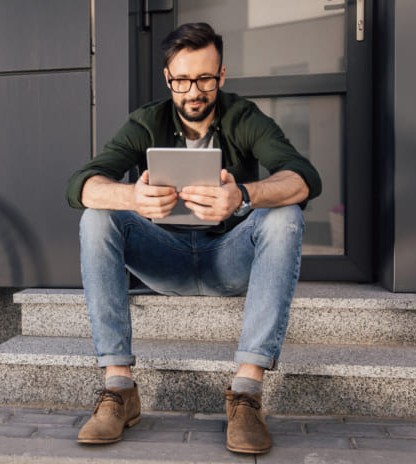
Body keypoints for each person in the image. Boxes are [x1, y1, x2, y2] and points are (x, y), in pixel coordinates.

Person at [65, 22, 321, 454]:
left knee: (284, 214)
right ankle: (119, 389)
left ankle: (246, 393)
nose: (193, 91)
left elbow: (304, 178)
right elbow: (80, 185)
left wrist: (242, 195)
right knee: (97, 217)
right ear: (168, 79)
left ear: (221, 76)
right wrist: (133, 197)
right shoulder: (147, 122)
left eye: (205, 78)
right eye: (182, 80)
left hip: (229, 260)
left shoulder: (244, 117)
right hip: (166, 260)